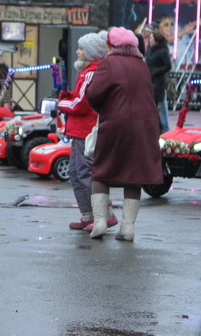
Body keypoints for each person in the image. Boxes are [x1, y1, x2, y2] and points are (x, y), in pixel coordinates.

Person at [85, 27, 163, 241]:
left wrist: (103, 107)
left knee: (102, 171)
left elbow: (93, 94)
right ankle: (128, 228)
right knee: (134, 176)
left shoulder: (109, 63)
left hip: (116, 124)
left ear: (112, 45)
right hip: (145, 126)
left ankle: (100, 222)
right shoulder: (142, 65)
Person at [57, 32, 117, 232]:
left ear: (91, 52)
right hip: (80, 129)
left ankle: (104, 213)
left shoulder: (91, 72)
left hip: (86, 129)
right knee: (76, 172)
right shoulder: (86, 70)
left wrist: (61, 102)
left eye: (81, 48)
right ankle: (88, 214)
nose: (77, 51)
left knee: (84, 172)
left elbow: (81, 104)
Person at [145, 27, 172, 132]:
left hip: (158, 82)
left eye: (151, 38)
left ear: (156, 40)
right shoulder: (150, 49)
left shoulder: (163, 50)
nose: (150, 40)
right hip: (150, 81)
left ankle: (165, 129)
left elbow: (167, 66)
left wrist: (155, 71)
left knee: (161, 106)